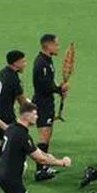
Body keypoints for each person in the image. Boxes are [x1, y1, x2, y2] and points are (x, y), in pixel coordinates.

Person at [0, 103, 72, 193]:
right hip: (11, 177)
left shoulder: (12, 128)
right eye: (35, 114)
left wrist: (49, 156)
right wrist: (61, 162)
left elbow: (35, 150)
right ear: (27, 115)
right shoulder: (22, 135)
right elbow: (40, 159)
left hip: (0, 173)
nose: (37, 117)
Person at [31, 34, 67, 182]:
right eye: (56, 44)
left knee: (48, 135)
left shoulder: (47, 60)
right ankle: (40, 170)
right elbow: (43, 86)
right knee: (44, 137)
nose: (58, 47)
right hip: (42, 103)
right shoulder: (41, 63)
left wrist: (59, 89)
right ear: (48, 45)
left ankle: (44, 167)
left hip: (47, 102)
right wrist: (59, 89)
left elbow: (49, 82)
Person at [0, 50, 29, 153]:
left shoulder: (3, 72)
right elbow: (22, 102)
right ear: (16, 63)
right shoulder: (13, 78)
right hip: (5, 115)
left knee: (9, 143)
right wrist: (32, 111)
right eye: (23, 62)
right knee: (12, 147)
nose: (25, 64)